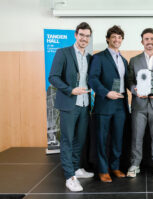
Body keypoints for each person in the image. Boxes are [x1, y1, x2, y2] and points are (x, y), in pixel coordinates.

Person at [48, 22, 94, 192]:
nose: (84, 38)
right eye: (81, 35)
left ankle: (76, 168)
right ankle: (70, 177)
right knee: (67, 140)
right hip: (69, 103)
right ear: (76, 35)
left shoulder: (90, 57)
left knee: (79, 140)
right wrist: (70, 90)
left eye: (87, 36)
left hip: (84, 104)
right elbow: (53, 77)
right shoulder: (63, 53)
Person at [126, 28, 153, 178]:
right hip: (139, 104)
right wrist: (134, 89)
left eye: (152, 39)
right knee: (137, 136)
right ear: (142, 42)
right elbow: (129, 81)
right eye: (146, 39)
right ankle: (135, 164)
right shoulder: (134, 60)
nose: (149, 42)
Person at [88, 25, 128, 183]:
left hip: (120, 105)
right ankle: (103, 170)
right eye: (114, 37)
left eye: (119, 37)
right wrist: (106, 92)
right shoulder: (98, 57)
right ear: (108, 38)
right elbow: (92, 79)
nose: (117, 39)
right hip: (104, 104)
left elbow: (126, 81)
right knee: (102, 139)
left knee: (118, 139)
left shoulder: (124, 60)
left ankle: (115, 167)